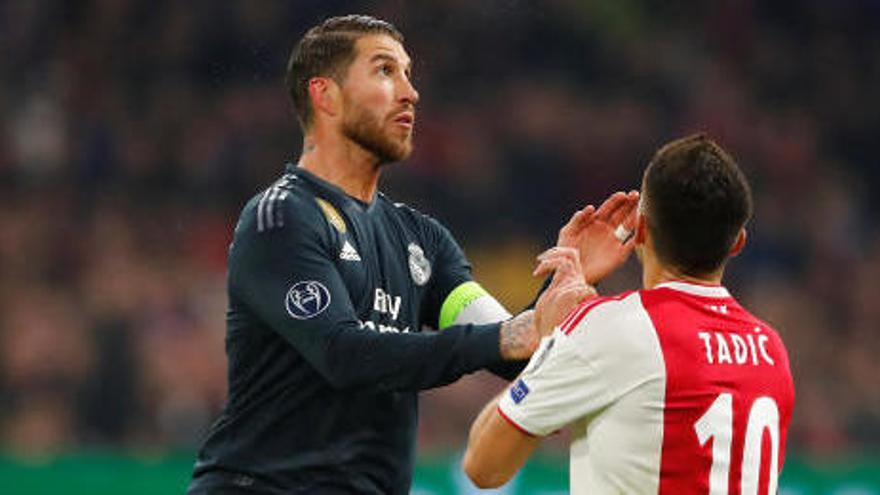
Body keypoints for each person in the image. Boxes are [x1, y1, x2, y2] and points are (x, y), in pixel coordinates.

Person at [187, 15, 638, 494]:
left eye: (408, 74)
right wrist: (511, 336)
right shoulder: (280, 218)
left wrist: (565, 281)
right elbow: (343, 354)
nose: (410, 92)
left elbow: (507, 350)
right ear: (325, 95)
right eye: (385, 71)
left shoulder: (421, 239)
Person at [463, 134, 796, 494]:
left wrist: (553, 342)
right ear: (737, 243)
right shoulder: (771, 350)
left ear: (639, 230)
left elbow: (484, 465)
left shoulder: (613, 330)